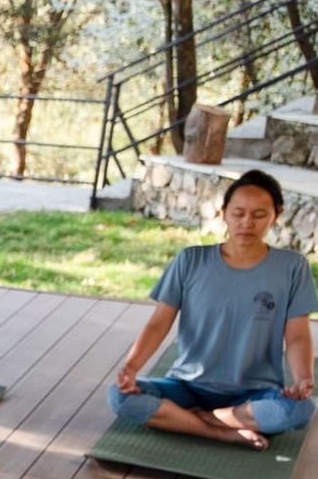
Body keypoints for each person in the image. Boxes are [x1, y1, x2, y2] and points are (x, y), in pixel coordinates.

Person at [108, 168, 316, 449]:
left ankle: (197, 419)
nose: (247, 223)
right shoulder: (190, 261)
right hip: (187, 386)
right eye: (238, 213)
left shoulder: (292, 267)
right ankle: (219, 430)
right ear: (224, 213)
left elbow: (298, 335)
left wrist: (303, 378)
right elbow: (159, 323)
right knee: (119, 396)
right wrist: (131, 368)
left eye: (259, 215)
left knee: (299, 411)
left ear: (275, 216)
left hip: (254, 394)